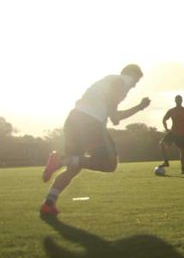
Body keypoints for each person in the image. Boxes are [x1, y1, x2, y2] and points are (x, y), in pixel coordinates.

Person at [39, 64, 151, 217]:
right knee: (109, 164)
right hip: (90, 124)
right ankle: (62, 160)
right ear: (131, 76)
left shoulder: (108, 81)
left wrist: (135, 108)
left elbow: (114, 116)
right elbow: (115, 118)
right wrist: (138, 107)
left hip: (74, 120)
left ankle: (48, 204)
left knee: (74, 167)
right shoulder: (120, 82)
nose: (133, 87)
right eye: (135, 82)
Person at [159, 95, 184, 174]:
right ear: (175, 101)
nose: (178, 101)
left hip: (183, 134)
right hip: (173, 133)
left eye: (179, 100)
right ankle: (166, 161)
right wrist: (166, 129)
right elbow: (164, 119)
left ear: (181, 101)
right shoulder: (171, 111)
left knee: (182, 151)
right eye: (177, 100)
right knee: (162, 143)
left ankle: (183, 169)